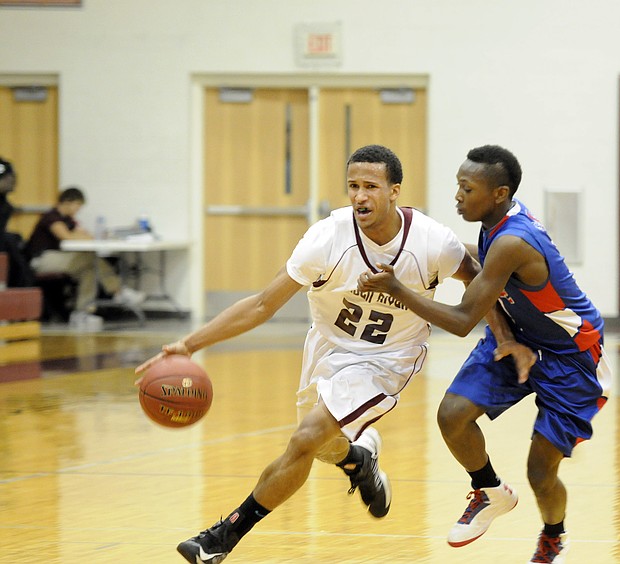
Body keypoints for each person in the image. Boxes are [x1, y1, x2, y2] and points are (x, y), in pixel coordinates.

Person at [135, 144, 481, 564]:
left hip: (388, 357)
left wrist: (507, 335)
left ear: (395, 192)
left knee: (304, 439)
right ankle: (358, 460)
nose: (359, 196)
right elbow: (264, 304)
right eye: (353, 186)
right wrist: (190, 344)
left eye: (370, 186)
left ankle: (222, 537)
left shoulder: (432, 241)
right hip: (328, 346)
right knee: (321, 446)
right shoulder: (326, 237)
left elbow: (479, 281)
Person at [358, 144, 612, 564]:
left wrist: (397, 289)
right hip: (518, 334)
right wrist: (415, 238)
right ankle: (490, 490)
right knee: (452, 414)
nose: (457, 195)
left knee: (540, 473)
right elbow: (477, 263)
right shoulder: (496, 220)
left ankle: (553, 537)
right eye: (458, 185)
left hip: (571, 356)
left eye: (466, 188)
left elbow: (461, 320)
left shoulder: (513, 240)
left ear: (499, 193)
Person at [25, 186, 145, 328]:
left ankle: (81, 313)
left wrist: (79, 235)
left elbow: (87, 236)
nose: (79, 210)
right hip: (42, 260)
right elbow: (66, 236)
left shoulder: (68, 220)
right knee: (89, 258)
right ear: (69, 202)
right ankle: (118, 291)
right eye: (78, 205)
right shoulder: (51, 217)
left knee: (89, 270)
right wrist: (77, 235)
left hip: (60, 259)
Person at [0, 157, 36, 288]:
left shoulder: (5, 205)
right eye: (7, 178)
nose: (12, 181)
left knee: (16, 242)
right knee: (10, 241)